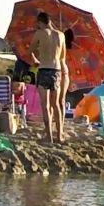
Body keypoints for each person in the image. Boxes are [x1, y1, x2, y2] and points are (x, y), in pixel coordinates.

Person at [31, 12, 66, 143]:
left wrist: (35, 57)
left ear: (40, 22)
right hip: (56, 70)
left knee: (45, 105)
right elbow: (62, 57)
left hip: (44, 68)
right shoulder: (61, 35)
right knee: (56, 104)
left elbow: (30, 50)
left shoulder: (40, 33)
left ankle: (49, 136)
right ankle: (60, 135)